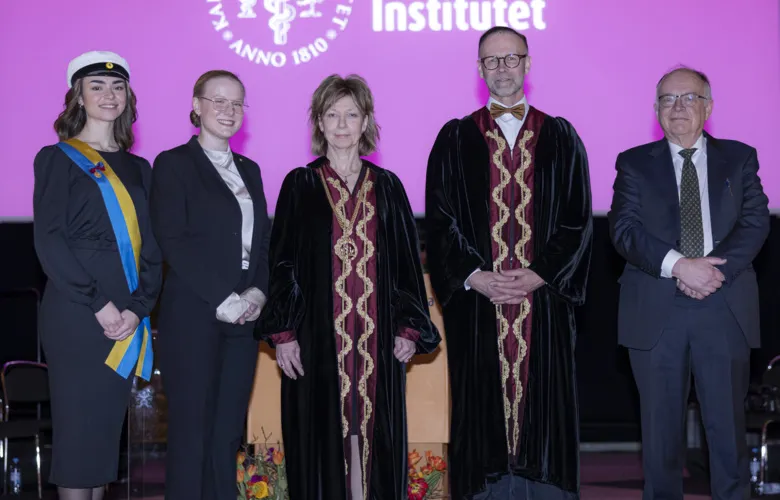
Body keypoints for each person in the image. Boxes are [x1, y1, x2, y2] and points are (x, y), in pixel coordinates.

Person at [425, 27, 593, 499]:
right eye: (491, 61)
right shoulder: (456, 137)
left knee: (546, 415)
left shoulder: (560, 135)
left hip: (544, 305)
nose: (502, 68)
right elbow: (440, 222)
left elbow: (578, 221)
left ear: (528, 64)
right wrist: (475, 277)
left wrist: (540, 275)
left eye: (511, 58)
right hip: (480, 307)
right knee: (481, 424)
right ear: (479, 70)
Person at [256, 74, 440, 500]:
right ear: (319, 123)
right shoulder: (299, 184)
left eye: (351, 114)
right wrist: (283, 334)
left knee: (370, 434)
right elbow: (281, 263)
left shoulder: (389, 186)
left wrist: (409, 329)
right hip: (316, 341)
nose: (342, 124)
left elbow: (407, 267)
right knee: (322, 435)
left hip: (378, 341)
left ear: (366, 121)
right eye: (332, 114)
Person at [608, 66, 770, 500]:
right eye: (667, 99)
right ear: (656, 109)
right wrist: (681, 266)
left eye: (689, 98)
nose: (677, 107)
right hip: (657, 310)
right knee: (660, 437)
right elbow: (624, 231)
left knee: (727, 431)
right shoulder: (633, 162)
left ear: (708, 107)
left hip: (724, 304)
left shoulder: (739, 157)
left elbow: (755, 222)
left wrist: (714, 272)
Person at [32, 50, 162, 500]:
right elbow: (50, 241)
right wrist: (100, 304)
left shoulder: (141, 168)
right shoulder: (57, 158)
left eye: (118, 87)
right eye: (97, 87)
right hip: (76, 313)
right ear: (79, 98)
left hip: (126, 315)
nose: (109, 95)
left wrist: (138, 306)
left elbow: (153, 248)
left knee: (105, 438)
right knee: (78, 436)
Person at [149, 70, 271, 500]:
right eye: (217, 101)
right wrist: (223, 298)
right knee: (191, 435)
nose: (228, 110)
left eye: (237, 103)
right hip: (194, 314)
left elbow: (263, 244)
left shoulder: (251, 170)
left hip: (243, 319)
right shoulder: (173, 164)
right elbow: (173, 241)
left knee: (225, 437)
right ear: (197, 106)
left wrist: (256, 292)